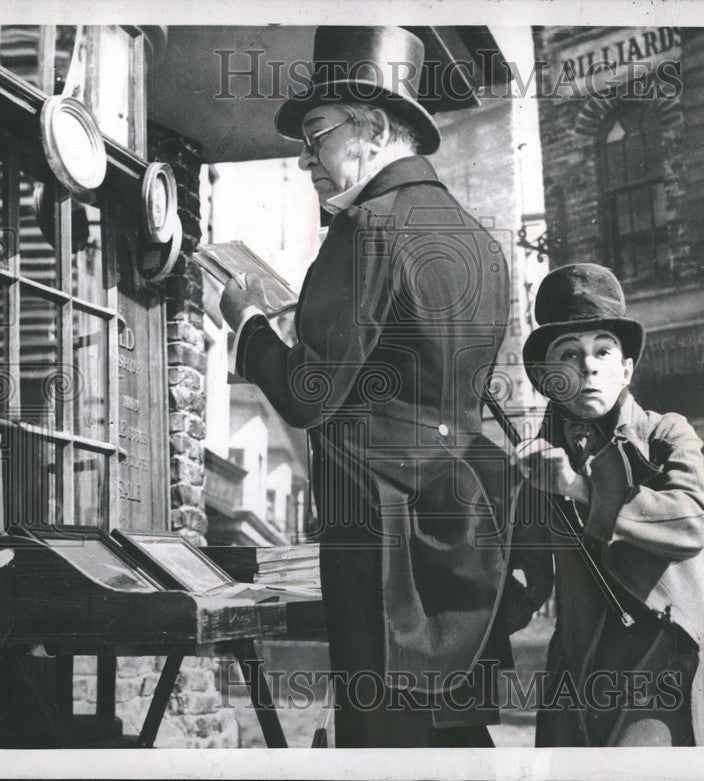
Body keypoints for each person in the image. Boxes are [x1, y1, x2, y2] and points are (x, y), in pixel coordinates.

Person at [219, 27, 512, 747]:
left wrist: (249, 324)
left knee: (383, 739)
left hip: (379, 541)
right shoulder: (481, 242)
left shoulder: (367, 229)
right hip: (462, 534)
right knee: (452, 735)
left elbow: (306, 392)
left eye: (316, 134)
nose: (304, 159)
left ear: (375, 127)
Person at [515, 263, 704, 747]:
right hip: (584, 672)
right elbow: (525, 578)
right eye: (570, 354)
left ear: (625, 368)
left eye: (603, 350)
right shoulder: (540, 466)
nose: (588, 365)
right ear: (547, 379)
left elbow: (694, 520)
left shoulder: (667, 432)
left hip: (670, 661)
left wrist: (582, 489)